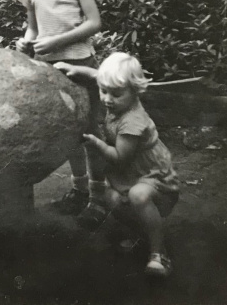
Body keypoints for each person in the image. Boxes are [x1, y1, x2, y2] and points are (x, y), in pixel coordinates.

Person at [15, 0, 106, 224]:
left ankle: (98, 196)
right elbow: (33, 28)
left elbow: (94, 22)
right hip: (48, 69)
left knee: (91, 131)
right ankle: (78, 190)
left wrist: (57, 42)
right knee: (67, 132)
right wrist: (26, 42)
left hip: (79, 62)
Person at [55, 52, 179, 278]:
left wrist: (95, 143)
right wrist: (77, 69)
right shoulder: (121, 99)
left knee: (138, 197)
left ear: (135, 90)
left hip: (152, 176)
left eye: (116, 94)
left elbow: (119, 157)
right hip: (130, 174)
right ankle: (143, 232)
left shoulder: (132, 121)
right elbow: (102, 78)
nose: (108, 99)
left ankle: (159, 253)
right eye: (104, 91)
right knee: (112, 199)